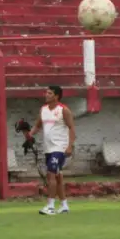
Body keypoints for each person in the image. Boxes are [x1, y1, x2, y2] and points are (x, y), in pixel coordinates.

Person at [30, 85, 76, 215]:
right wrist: (28, 134)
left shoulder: (64, 110)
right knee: (58, 176)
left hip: (59, 148)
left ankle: (50, 206)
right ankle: (64, 205)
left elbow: (72, 128)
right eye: (46, 93)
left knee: (50, 174)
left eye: (49, 93)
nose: (46, 95)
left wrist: (69, 146)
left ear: (56, 96)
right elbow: (37, 126)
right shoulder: (43, 109)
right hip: (48, 148)